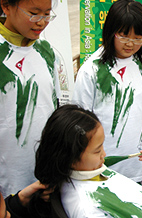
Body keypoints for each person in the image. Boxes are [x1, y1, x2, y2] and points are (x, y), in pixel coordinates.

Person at [34, 104, 142, 218]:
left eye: (102, 146)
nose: (104, 154)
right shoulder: (88, 209)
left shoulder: (92, 170)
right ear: (69, 158)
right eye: (97, 150)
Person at [72, 0, 142, 183]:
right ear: (110, 32)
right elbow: (79, 119)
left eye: (138, 38)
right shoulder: (92, 70)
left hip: (139, 161)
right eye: (124, 36)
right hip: (105, 163)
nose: (130, 44)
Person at [0, 0, 60, 197]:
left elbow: (54, 107)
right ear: (6, 6)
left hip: (43, 179)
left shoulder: (47, 51)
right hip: (7, 185)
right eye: (34, 13)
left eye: (47, 14)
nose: (41, 22)